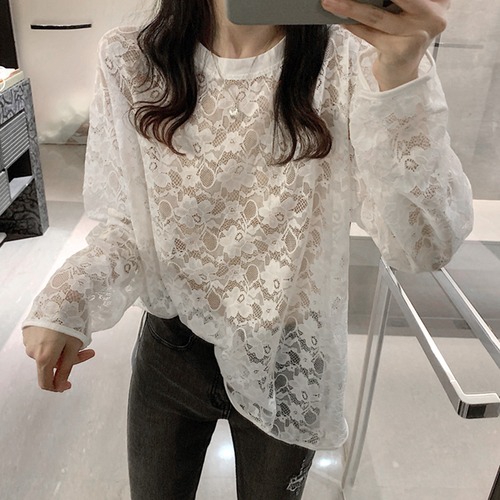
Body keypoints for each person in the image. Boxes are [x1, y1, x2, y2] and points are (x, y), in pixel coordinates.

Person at [22, 0, 473, 498]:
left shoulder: (355, 60)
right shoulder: (132, 59)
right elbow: (128, 225)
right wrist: (70, 298)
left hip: (291, 353)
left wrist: (401, 78)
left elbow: (423, 246)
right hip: (173, 348)